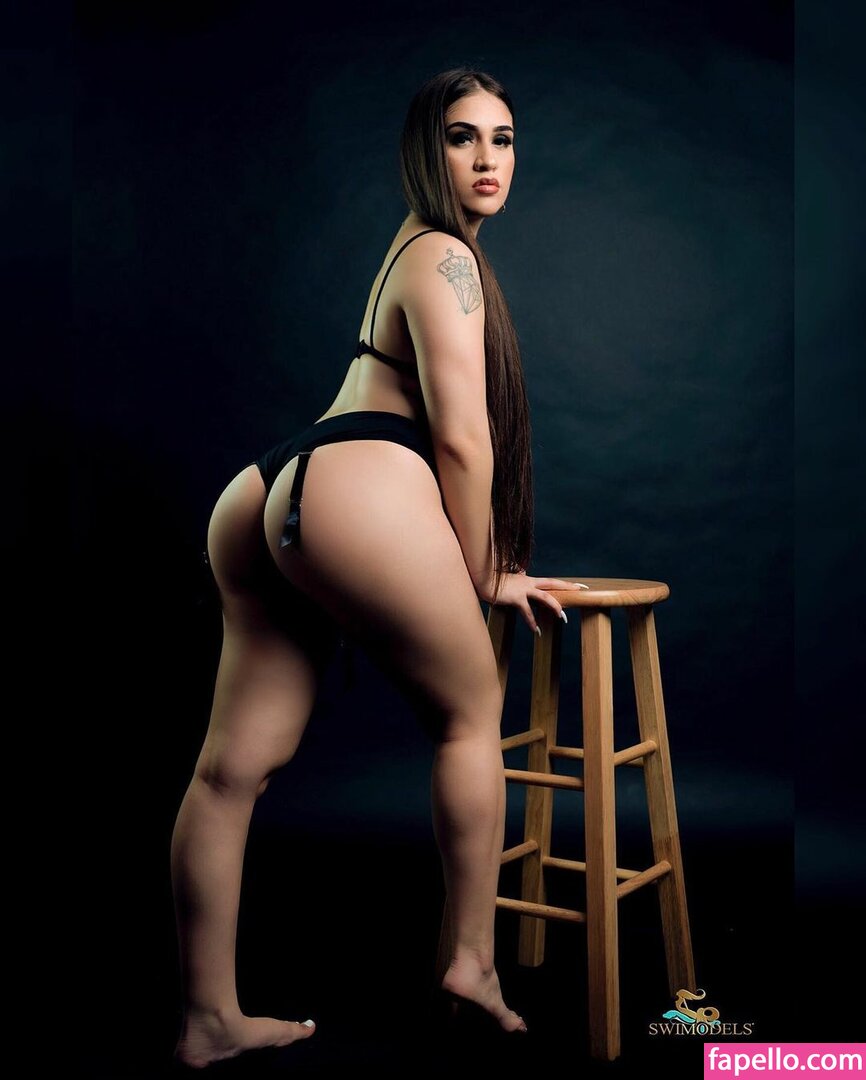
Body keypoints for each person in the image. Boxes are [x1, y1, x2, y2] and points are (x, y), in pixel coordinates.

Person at [170, 66, 589, 1069]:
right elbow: (463, 440)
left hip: (272, 494)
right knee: (470, 713)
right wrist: (486, 570)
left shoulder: (409, 247)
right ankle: (470, 963)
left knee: (229, 772)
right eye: (462, 136)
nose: (487, 159)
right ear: (422, 149)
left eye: (503, 138)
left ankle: (206, 1019)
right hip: (358, 483)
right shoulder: (444, 254)